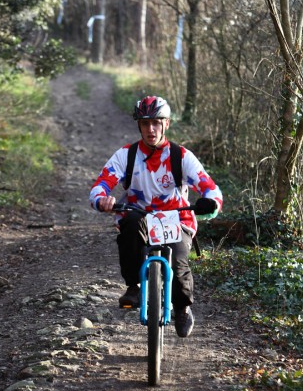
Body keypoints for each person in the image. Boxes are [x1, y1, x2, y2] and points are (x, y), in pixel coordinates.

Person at [89, 96, 223, 337]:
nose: (151, 129)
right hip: (139, 216)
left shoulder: (181, 156)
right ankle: (134, 286)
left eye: (156, 123)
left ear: (166, 124)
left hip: (176, 219)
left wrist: (210, 203)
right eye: (145, 123)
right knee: (129, 226)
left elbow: (211, 189)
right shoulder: (126, 155)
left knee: (178, 261)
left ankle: (182, 307)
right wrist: (103, 199)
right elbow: (100, 185)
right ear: (139, 126)